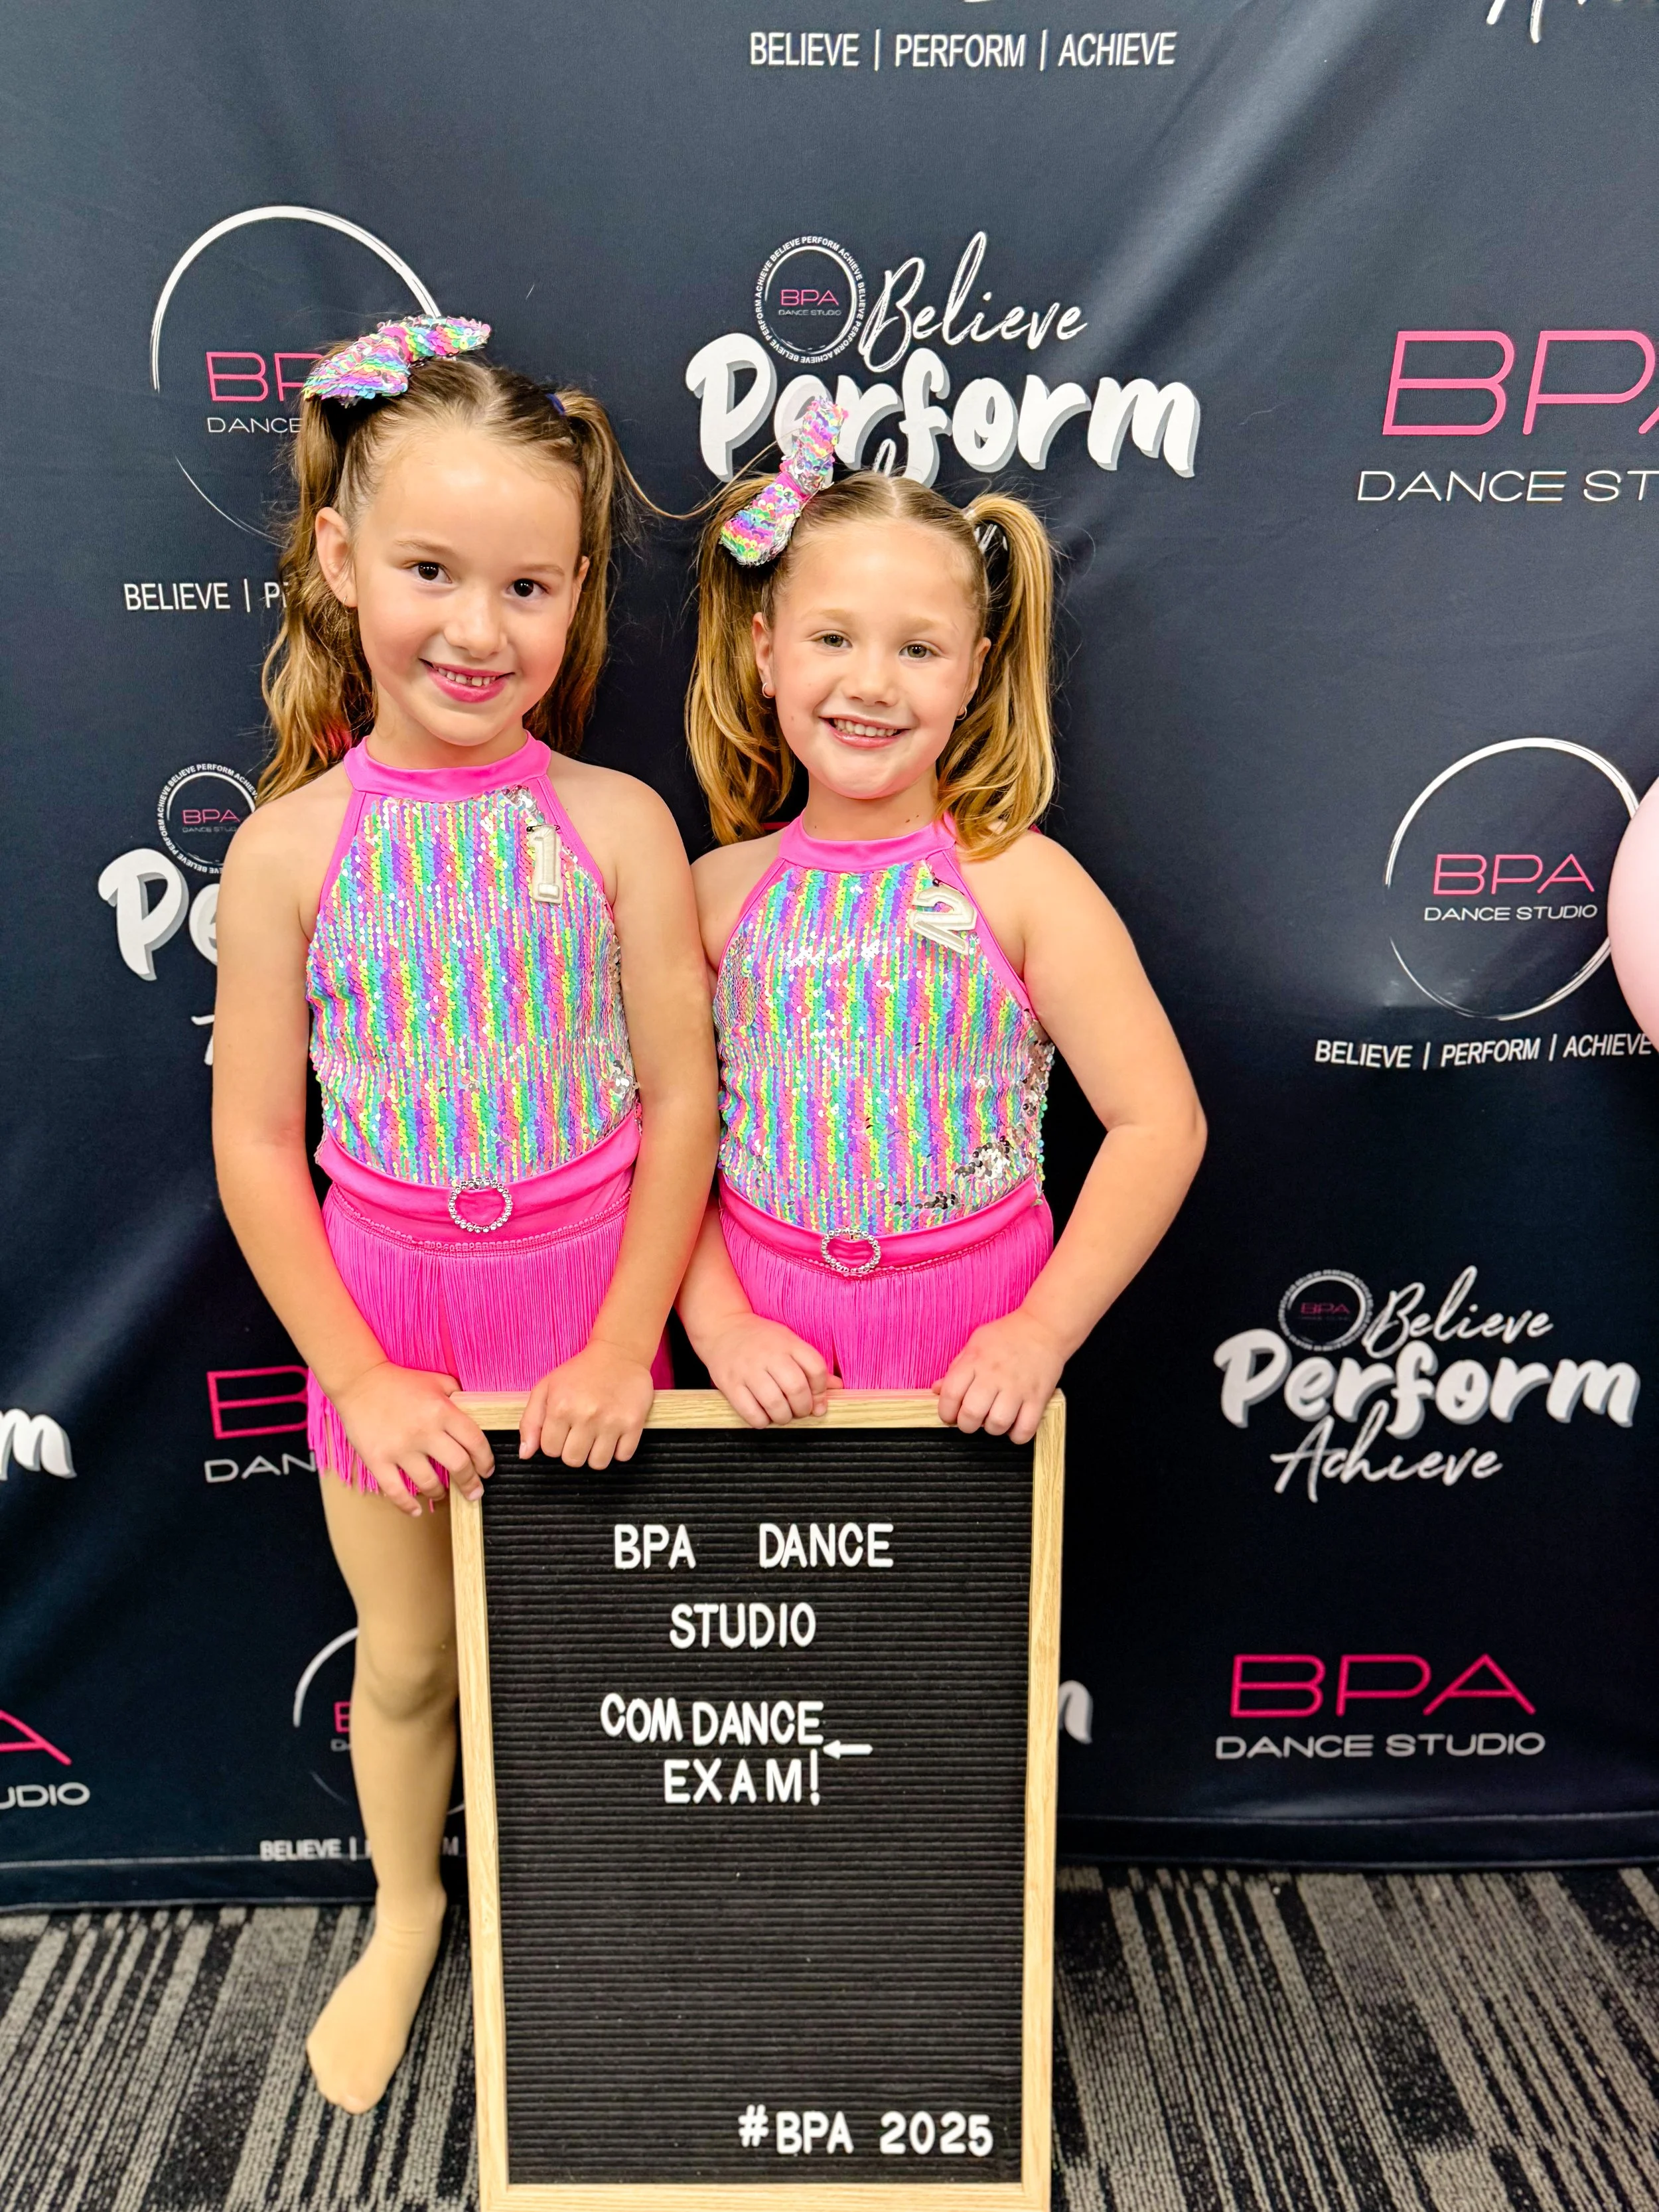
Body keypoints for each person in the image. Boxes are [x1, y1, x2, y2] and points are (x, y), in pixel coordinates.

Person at [212, 317, 715, 2111]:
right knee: (413, 1655)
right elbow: (263, 1147)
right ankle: (406, 1906)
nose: (477, 629)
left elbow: (678, 1105)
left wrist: (613, 1339)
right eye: (431, 570)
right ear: (343, 560)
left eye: (528, 584)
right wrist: (360, 1374)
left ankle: (612, 1911)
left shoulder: (619, 823)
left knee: (606, 1644)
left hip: (589, 1297)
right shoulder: (286, 852)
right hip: (388, 1315)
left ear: (578, 594)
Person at [678, 396, 1204, 1446]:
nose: (870, 683)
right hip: (763, 1352)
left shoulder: (1026, 887)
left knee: (944, 1612)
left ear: (973, 670)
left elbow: (1161, 1126)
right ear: (767, 650)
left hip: (973, 1344)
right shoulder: (714, 893)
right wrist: (723, 1322)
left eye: (919, 650)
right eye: (833, 637)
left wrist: (1040, 1333)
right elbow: (668, 1138)